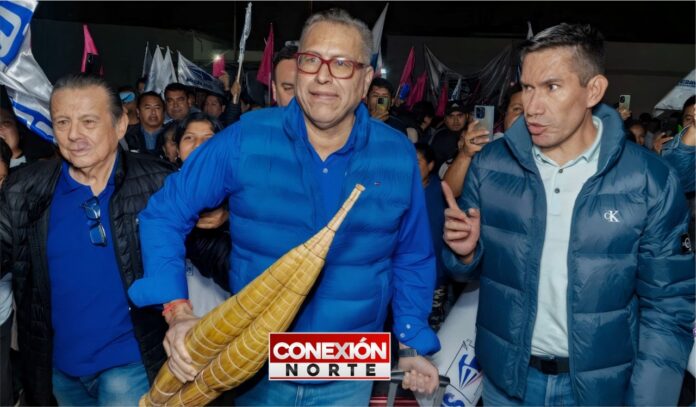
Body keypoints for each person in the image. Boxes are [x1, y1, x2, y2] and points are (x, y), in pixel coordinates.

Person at [128, 8, 441, 405]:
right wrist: (177, 310)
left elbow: (412, 254)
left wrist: (411, 340)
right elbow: (164, 213)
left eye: (342, 64)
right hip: (254, 362)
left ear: (365, 80)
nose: (323, 76)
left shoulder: (396, 154)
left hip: (349, 366)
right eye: (312, 60)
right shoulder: (246, 138)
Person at [442, 23, 693, 406]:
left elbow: (669, 305)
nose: (532, 106)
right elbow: (468, 272)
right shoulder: (492, 166)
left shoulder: (648, 179)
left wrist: (648, 400)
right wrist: (464, 253)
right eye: (528, 87)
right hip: (506, 383)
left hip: (597, 390)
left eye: (552, 87)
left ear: (593, 90)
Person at [0, 74, 175, 405]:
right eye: (62, 122)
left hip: (129, 365)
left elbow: (212, 247)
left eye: (88, 121)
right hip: (60, 369)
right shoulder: (25, 189)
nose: (73, 134)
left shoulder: (158, 183)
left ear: (120, 125)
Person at [443, 83, 524, 198]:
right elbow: (450, 191)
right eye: (517, 109)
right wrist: (465, 154)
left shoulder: (547, 156)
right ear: (505, 115)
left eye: (530, 110)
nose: (523, 116)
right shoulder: (489, 149)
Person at [414, 142, 447, 331]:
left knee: (433, 322)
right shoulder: (399, 189)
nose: (411, 166)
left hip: (436, 271)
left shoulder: (442, 190)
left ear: (431, 165)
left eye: (417, 161)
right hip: (406, 271)